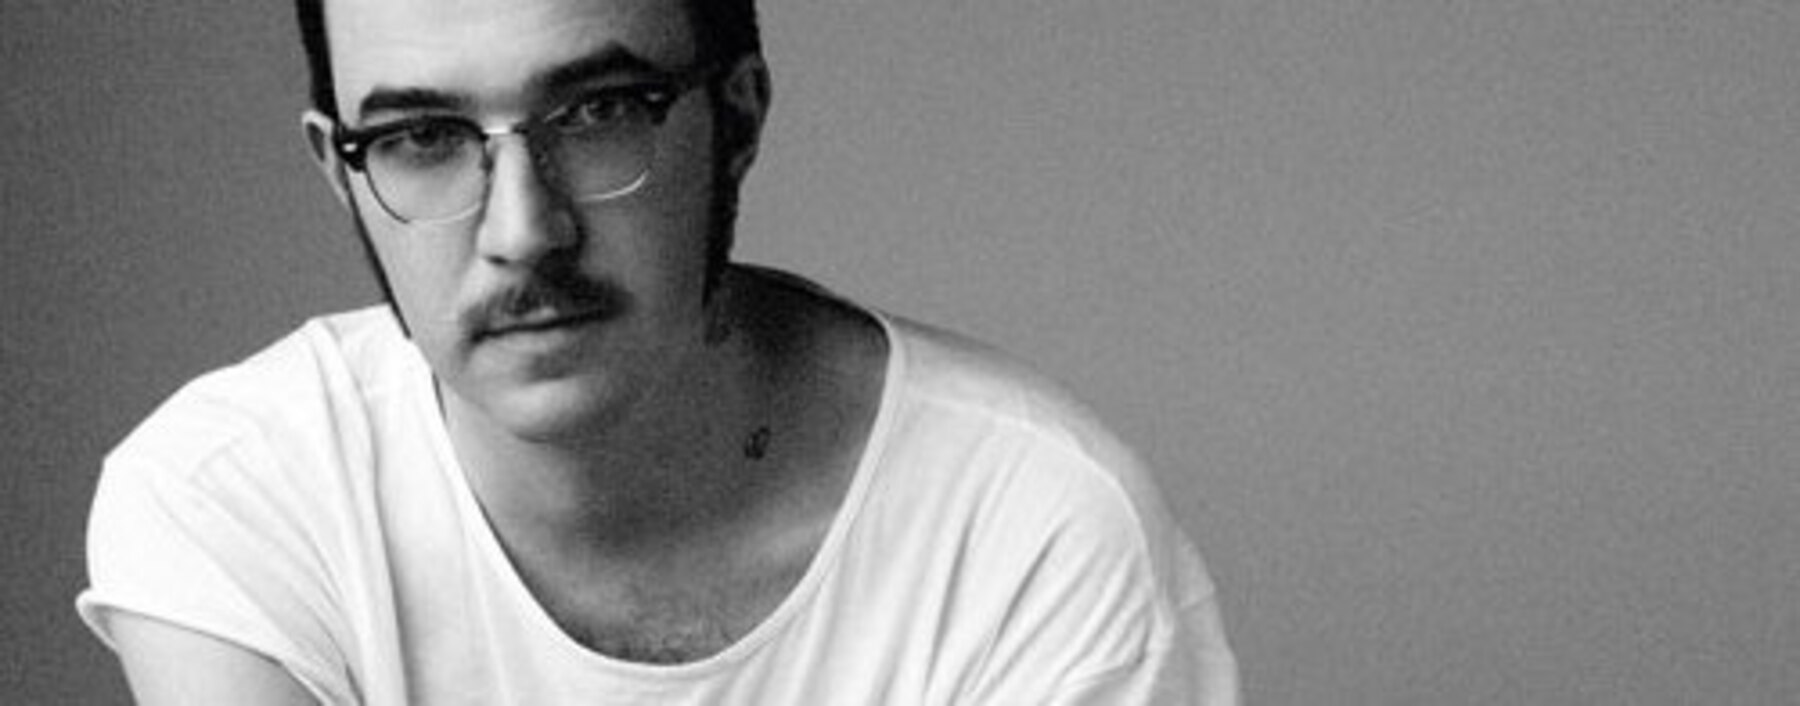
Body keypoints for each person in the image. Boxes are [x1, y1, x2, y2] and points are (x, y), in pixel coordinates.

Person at [76, 0, 1238, 702]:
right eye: (423, 137)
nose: (523, 229)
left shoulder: (1030, 529)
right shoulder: (237, 496)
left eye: (599, 112)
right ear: (340, 172)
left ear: (738, 116)